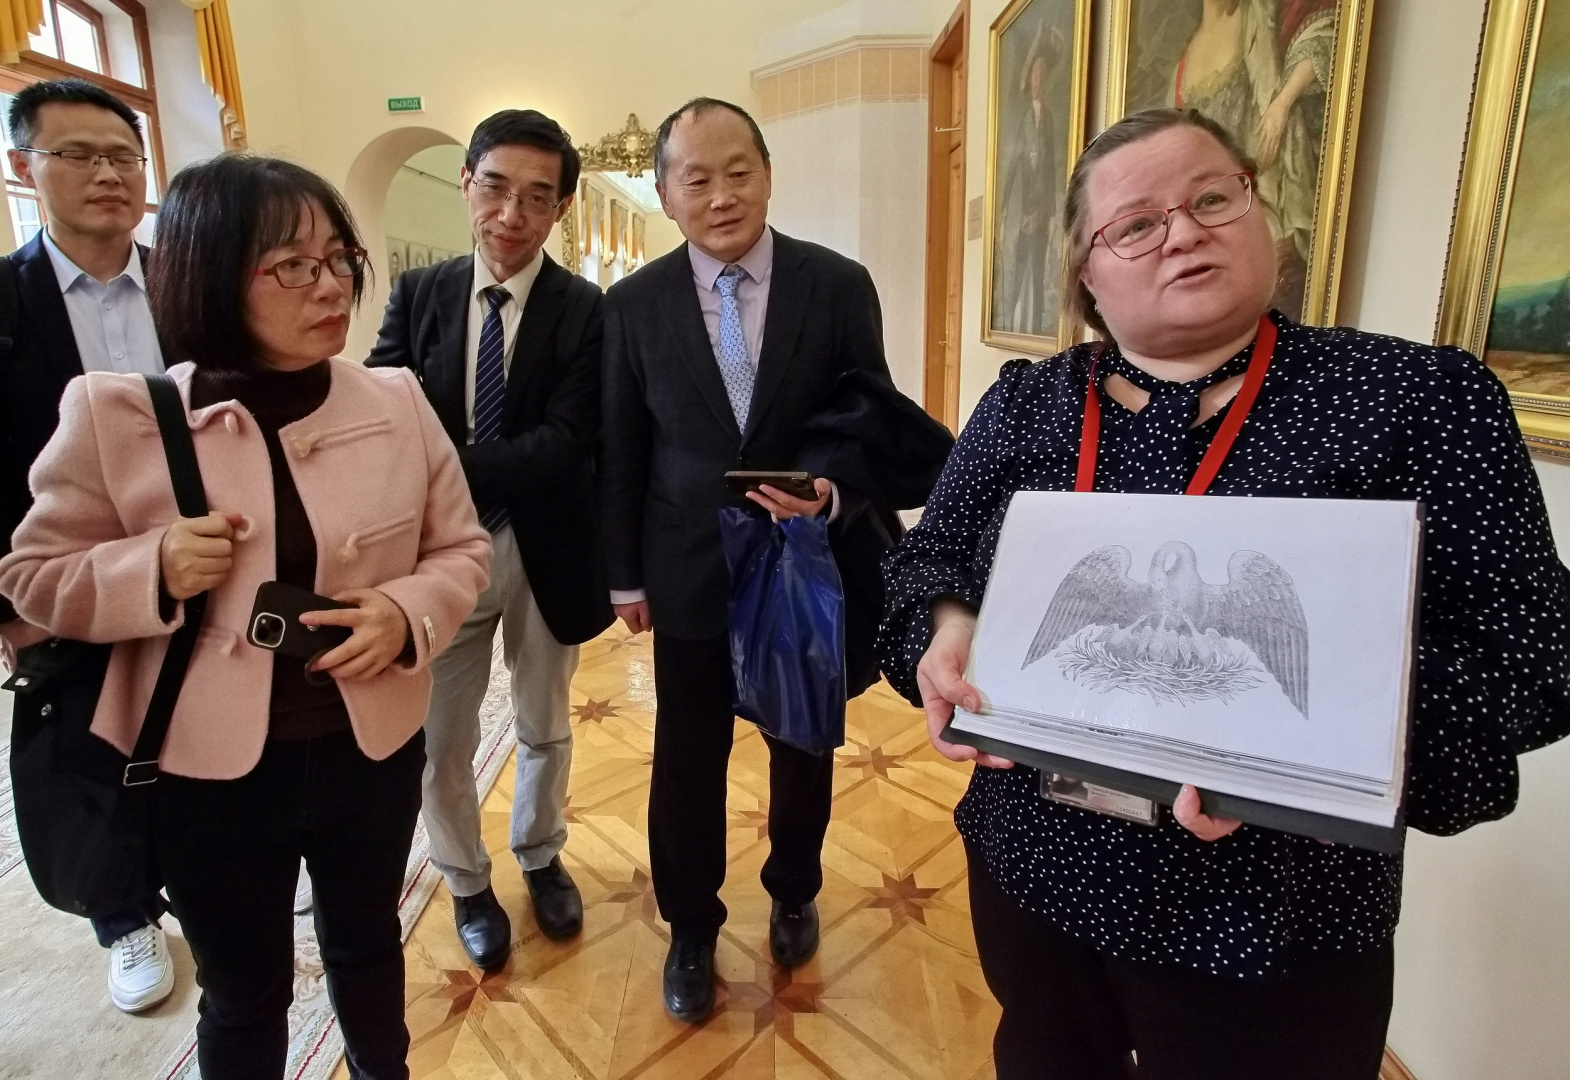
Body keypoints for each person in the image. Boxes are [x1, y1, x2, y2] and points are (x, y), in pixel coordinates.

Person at [878, 108, 1570, 1080]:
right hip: (1037, 867)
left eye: (1212, 198)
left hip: (1277, 912)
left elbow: (1529, 654)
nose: (1183, 233)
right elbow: (929, 558)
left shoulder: (1414, 399)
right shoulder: (1025, 405)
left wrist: (1296, 758)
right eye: (1136, 223)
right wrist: (949, 628)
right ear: (1086, 272)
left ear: (1260, 210)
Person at [0, 154, 490, 1079]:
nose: (332, 285)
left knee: (367, 948)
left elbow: (461, 548)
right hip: (204, 771)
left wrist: (405, 612)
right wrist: (150, 566)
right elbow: (31, 578)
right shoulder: (117, 416)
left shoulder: (397, 400)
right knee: (244, 991)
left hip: (366, 749)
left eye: (339, 258)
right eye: (293, 265)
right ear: (211, 272)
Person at [600, 96, 896, 1023]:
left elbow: (868, 416)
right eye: (696, 179)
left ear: (767, 174)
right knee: (687, 757)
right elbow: (622, 449)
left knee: (801, 743)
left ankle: (795, 887)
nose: (721, 195)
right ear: (665, 194)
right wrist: (624, 575)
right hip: (687, 565)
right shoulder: (632, 305)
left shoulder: (836, 285)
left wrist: (832, 492)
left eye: (738, 172)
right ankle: (691, 926)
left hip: (802, 563)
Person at [368, 108, 611, 969]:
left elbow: (566, 441)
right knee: (441, 735)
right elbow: (386, 412)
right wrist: (441, 480)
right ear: (466, 182)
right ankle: (465, 877)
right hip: (441, 554)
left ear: (562, 208)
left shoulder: (586, 310)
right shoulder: (419, 295)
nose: (512, 214)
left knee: (544, 722)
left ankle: (541, 856)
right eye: (496, 187)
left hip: (545, 548)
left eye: (537, 197)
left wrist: (443, 464)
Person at [0, 77, 177, 1015]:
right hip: (66, 579)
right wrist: (9, 610)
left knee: (205, 733)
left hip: (198, 561)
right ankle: (123, 916)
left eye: (123, 157)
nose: (108, 174)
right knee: (90, 752)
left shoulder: (190, 282)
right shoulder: (7, 298)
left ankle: (215, 877)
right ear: (22, 165)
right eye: (77, 154)